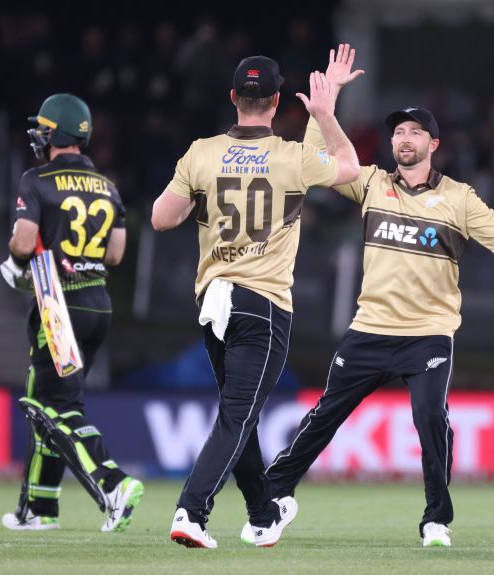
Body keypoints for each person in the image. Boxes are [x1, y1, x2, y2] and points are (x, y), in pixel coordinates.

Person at [256, 45, 494, 548]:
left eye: (415, 131)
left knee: (429, 419)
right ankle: (274, 493)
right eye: (397, 131)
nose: (404, 138)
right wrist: (323, 114)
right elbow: (315, 163)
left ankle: (436, 518)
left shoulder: (459, 198)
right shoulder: (372, 183)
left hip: (427, 336)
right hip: (370, 330)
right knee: (326, 414)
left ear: (434, 144)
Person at [151, 55, 359, 548]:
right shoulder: (290, 158)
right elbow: (349, 167)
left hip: (213, 300)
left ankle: (262, 515)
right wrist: (327, 112)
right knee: (237, 417)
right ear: (276, 102)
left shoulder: (201, 153)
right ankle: (191, 511)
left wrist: (205, 198)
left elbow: (161, 218)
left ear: (232, 99)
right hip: (263, 303)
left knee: (237, 414)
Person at [0, 93, 143, 533]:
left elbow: (23, 244)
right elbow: (115, 253)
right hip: (97, 303)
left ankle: (112, 483)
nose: (38, 136)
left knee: (54, 407)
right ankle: (38, 510)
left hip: (57, 305)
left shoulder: (36, 179)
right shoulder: (107, 185)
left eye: (43, 128)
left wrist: (17, 261)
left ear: (55, 134)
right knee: (48, 404)